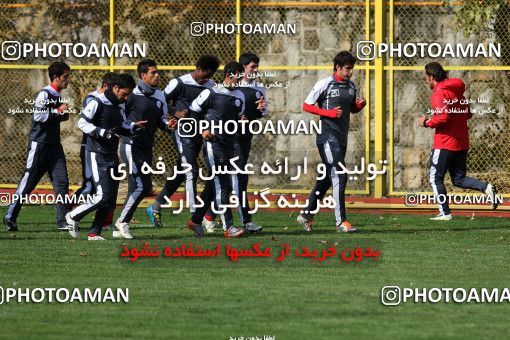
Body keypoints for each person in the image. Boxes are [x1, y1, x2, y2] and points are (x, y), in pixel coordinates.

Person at [187, 61, 265, 237]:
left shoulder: (239, 96)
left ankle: (196, 219)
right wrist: (202, 130)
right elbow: (193, 111)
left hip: (230, 145)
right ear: (229, 74)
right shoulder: (212, 92)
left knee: (221, 185)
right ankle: (228, 227)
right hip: (214, 145)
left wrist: (242, 121)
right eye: (238, 74)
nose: (241, 78)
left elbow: (237, 118)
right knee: (222, 184)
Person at [65, 73, 145, 240]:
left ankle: (94, 233)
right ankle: (73, 216)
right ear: (115, 88)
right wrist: (102, 133)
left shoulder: (120, 105)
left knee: (110, 198)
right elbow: (82, 123)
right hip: (97, 154)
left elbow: (121, 125)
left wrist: (132, 128)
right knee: (103, 196)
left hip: (111, 155)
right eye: (124, 93)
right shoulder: (97, 102)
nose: (126, 97)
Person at [145, 55, 220, 227]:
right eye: (205, 74)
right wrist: (174, 112)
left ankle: (155, 206)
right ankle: (196, 216)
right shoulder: (178, 83)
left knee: (181, 172)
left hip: (200, 133)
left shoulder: (211, 86)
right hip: (182, 132)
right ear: (198, 69)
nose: (207, 78)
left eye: (211, 75)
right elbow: (160, 102)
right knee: (190, 170)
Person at [417, 62, 498, 220]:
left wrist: (426, 122)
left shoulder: (438, 93)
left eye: (426, 77)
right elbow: (468, 114)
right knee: (459, 179)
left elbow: (443, 117)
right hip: (461, 142)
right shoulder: (458, 93)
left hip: (445, 143)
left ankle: (445, 213)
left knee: (435, 178)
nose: (426, 80)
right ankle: (486, 187)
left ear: (431, 77)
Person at [296, 51, 366, 233]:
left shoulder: (351, 86)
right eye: (348, 68)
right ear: (338, 67)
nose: (351, 72)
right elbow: (306, 105)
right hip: (327, 137)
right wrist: (328, 113)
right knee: (340, 175)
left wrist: (360, 106)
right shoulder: (325, 84)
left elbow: (351, 109)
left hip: (342, 138)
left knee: (327, 178)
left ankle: (306, 214)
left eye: (352, 68)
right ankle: (340, 222)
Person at [4, 62, 71, 232]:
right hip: (39, 146)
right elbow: (39, 117)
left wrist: (62, 114)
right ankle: (10, 216)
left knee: (62, 183)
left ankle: (62, 221)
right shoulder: (44, 94)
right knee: (28, 183)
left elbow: (56, 117)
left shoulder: (57, 96)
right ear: (56, 77)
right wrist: (58, 112)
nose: (68, 80)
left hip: (55, 147)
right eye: (65, 76)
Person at [114, 59, 171, 238]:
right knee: (144, 186)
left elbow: (162, 120)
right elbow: (119, 118)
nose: (157, 75)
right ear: (143, 75)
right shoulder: (131, 94)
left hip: (146, 147)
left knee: (136, 187)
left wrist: (170, 124)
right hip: (130, 145)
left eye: (157, 72)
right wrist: (130, 126)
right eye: (153, 73)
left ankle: (121, 227)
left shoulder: (160, 95)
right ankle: (122, 222)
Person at [72, 72, 116, 230]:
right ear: (106, 87)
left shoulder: (116, 102)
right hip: (90, 147)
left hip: (107, 149)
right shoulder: (93, 99)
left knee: (108, 188)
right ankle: (69, 211)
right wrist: (103, 132)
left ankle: (105, 222)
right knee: (90, 185)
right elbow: (85, 123)